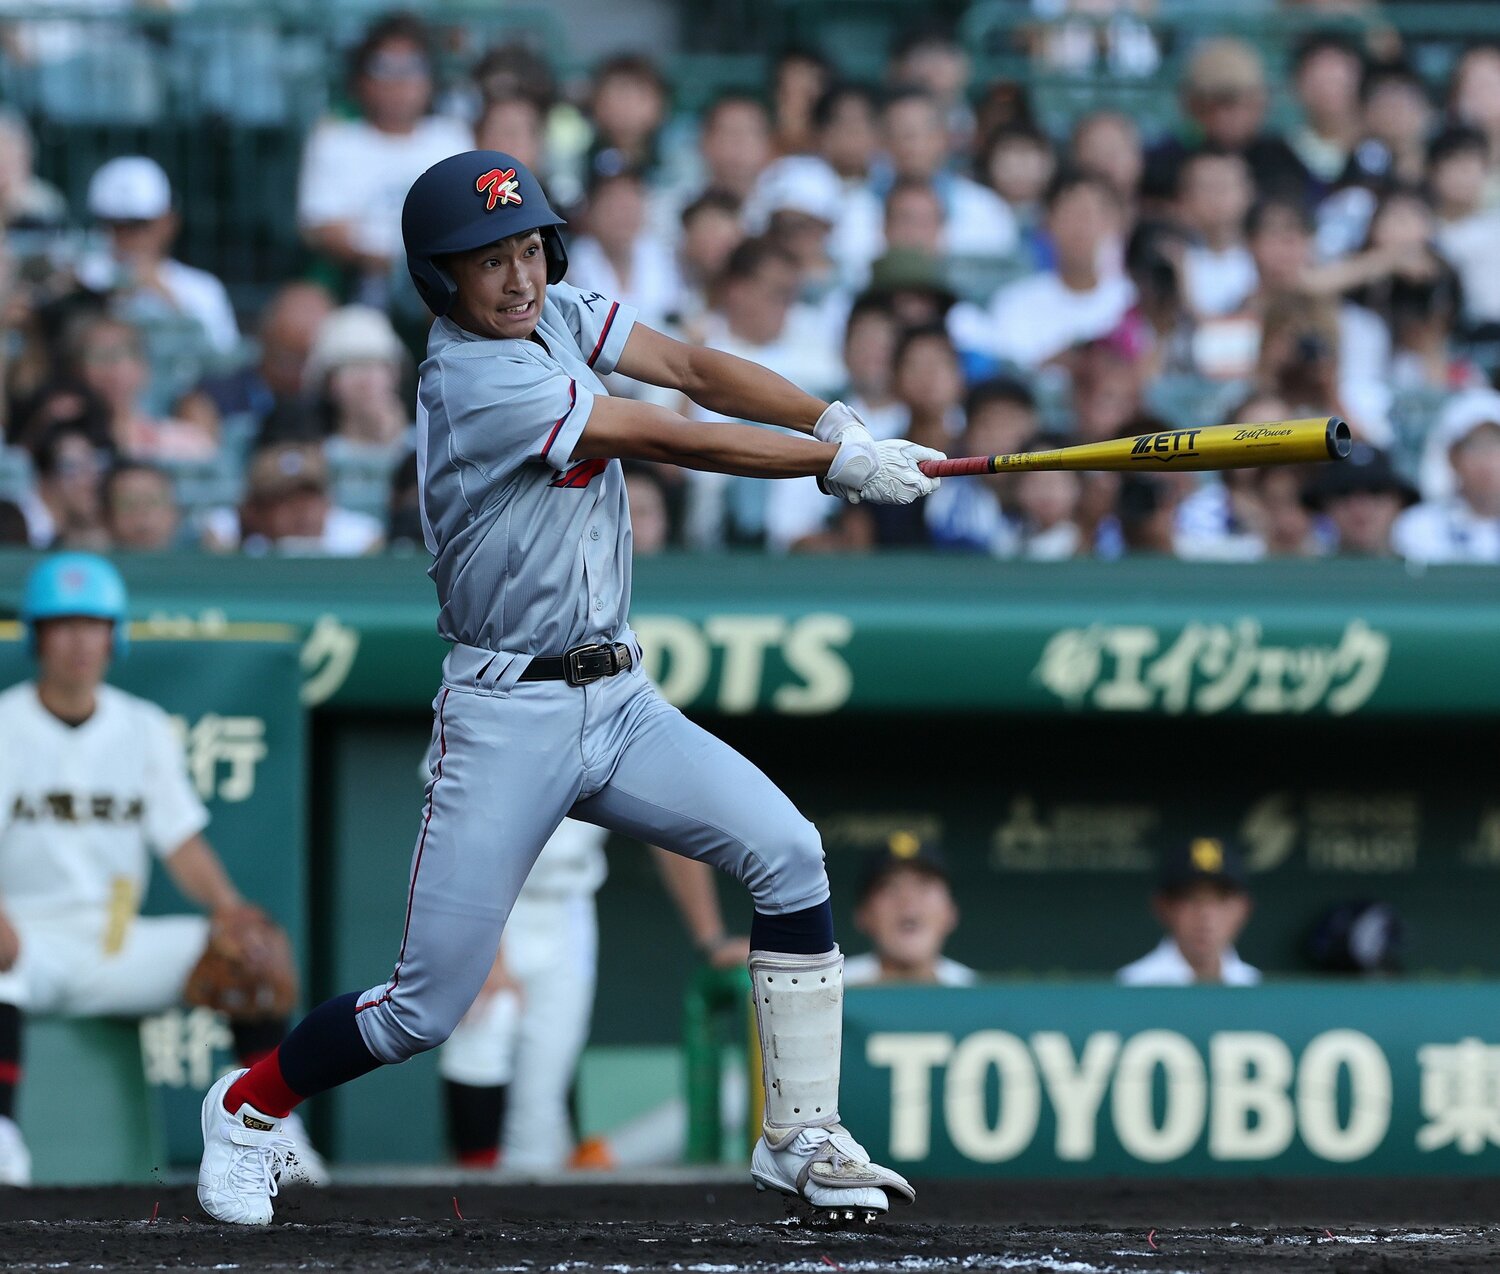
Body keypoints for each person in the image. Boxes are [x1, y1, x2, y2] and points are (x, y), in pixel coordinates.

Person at [195, 149, 938, 1224]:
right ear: (437, 281)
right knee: (425, 1007)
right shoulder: (467, 374)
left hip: (618, 693)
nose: (517, 277)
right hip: (508, 709)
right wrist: (830, 471)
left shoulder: (555, 310)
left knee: (788, 851)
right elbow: (661, 430)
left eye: (527, 247)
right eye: (485, 260)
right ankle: (250, 1106)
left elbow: (687, 364)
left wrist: (833, 422)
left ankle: (800, 1134)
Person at [0, 554, 325, 1186]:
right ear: (37, 635)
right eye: (62, 624)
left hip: (117, 943)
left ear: (113, 634)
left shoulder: (141, 726)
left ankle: (272, 1135)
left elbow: (180, 842)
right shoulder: (3, 722)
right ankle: (2, 1138)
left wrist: (228, 907)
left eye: (92, 624)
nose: (78, 641)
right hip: (26, 938)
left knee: (248, 955)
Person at [438, 819, 748, 1171]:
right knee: (485, 1036)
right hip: (486, 898)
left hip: (568, 905)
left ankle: (517, 1219)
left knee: (542, 1099)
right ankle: (466, 1204)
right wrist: (478, 937)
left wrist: (712, 939)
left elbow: (669, 823)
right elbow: (454, 816)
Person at [296, 13, 472, 307]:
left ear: (430, 79)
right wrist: (398, 265)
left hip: (442, 277)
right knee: (296, 313)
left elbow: (468, 220)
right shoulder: (335, 138)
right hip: (353, 281)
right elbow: (323, 228)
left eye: (412, 67)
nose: (399, 81)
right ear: (362, 79)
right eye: (383, 67)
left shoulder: (451, 136)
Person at [956, 169, 1133, 368]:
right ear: (1048, 222)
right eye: (1072, 213)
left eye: (1093, 214)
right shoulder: (1015, 303)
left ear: (1116, 224)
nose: (1082, 227)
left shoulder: (1132, 300)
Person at [79, 156, 239, 355]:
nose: (122, 237)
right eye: (111, 224)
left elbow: (223, 361)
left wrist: (163, 295)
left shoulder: (202, 291)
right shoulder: (84, 278)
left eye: (137, 225)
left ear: (168, 223)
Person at [1117, 837, 1261, 986]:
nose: (1206, 914)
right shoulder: (1133, 985)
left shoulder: (1256, 987)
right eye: (1191, 898)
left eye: (1220, 899)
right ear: (1163, 907)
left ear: (1244, 908)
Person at [845, 834, 975, 988]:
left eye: (924, 885)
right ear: (863, 915)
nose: (908, 900)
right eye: (889, 887)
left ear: (951, 912)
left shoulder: (977, 994)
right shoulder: (829, 989)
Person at [1395, 391, 1500, 564]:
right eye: (1474, 446)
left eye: (1495, 445)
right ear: (1452, 457)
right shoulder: (1418, 528)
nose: (1487, 459)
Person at [1301, 442, 1416, 557]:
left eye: (1375, 490)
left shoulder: (1426, 571)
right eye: (1344, 491)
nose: (1360, 506)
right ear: (1325, 504)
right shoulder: (1305, 571)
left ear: (1399, 503)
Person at [103, 459, 180, 551]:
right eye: (128, 503)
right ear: (107, 516)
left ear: (174, 512)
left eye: (153, 501)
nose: (142, 511)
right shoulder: (88, 562)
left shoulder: (199, 558)